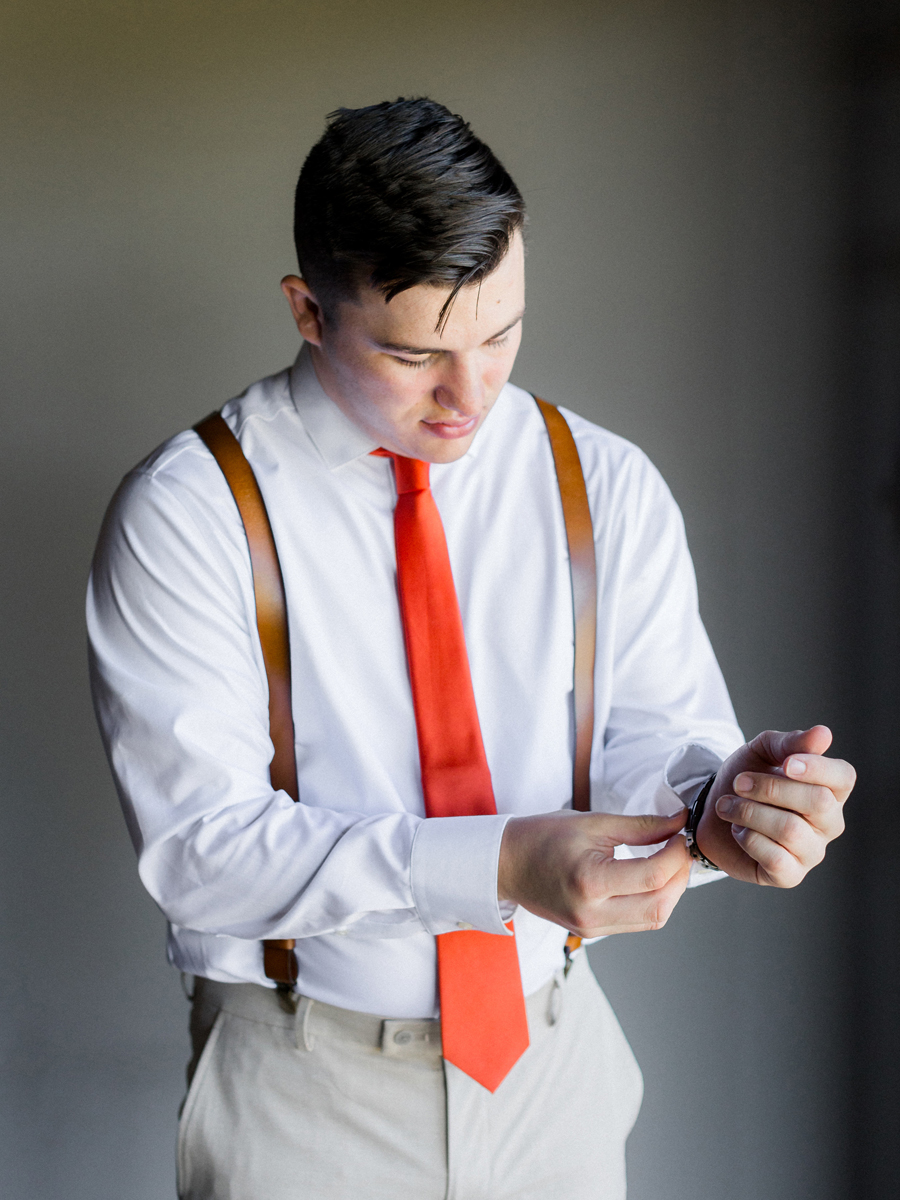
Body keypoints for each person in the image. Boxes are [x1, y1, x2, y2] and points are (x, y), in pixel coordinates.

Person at [86, 98, 855, 1200]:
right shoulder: (190, 511)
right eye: (414, 353)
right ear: (308, 310)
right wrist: (497, 863)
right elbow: (201, 851)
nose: (471, 393)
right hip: (304, 1083)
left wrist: (715, 801)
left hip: (556, 1063)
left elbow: (651, 730)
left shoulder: (604, 482)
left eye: (501, 334)